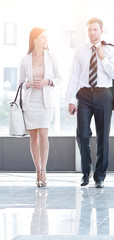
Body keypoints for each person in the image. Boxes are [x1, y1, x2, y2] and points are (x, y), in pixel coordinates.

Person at [68, 18, 114, 188]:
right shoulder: (80, 51)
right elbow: (74, 77)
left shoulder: (110, 50)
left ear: (101, 30)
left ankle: (100, 176)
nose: (92, 33)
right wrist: (71, 100)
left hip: (104, 94)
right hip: (83, 96)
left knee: (103, 137)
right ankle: (85, 172)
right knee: (82, 135)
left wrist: (102, 57)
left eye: (95, 29)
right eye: (89, 30)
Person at [20, 27, 61, 187]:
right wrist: (28, 84)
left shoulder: (51, 57)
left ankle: (44, 170)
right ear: (35, 39)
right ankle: (37, 171)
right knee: (34, 137)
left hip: (46, 102)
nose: (45, 40)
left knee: (44, 135)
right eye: (42, 37)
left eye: (46, 37)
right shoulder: (25, 59)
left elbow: (59, 78)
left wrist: (48, 81)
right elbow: (20, 83)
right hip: (30, 102)